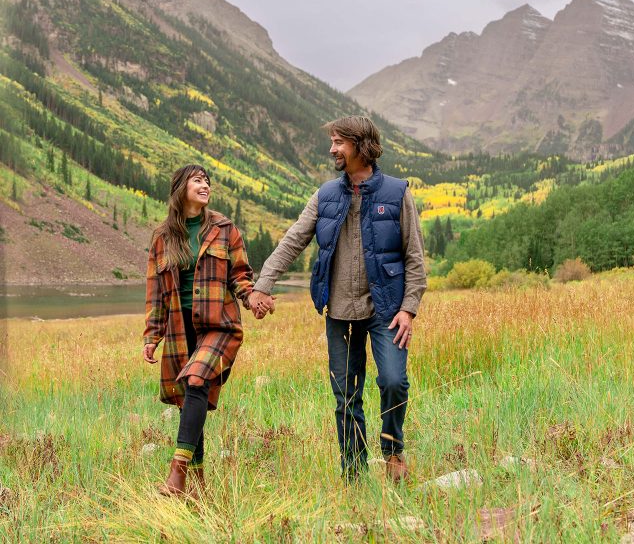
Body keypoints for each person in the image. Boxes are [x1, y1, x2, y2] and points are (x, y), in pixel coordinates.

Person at [249, 116, 426, 482]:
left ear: (362, 145)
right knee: (346, 396)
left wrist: (409, 309)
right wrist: (263, 284)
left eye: (339, 142)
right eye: (332, 141)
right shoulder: (325, 195)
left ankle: (393, 453)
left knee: (393, 380)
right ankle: (353, 473)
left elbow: (415, 258)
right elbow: (293, 240)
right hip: (340, 312)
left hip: (387, 311)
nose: (332, 149)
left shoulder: (397, 193)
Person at [142, 164, 254, 496]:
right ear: (180, 188)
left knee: (196, 380)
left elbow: (241, 274)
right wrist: (152, 335)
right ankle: (199, 485)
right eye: (197, 180)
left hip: (219, 325)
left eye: (207, 180)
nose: (205, 184)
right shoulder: (162, 237)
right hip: (179, 327)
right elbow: (155, 292)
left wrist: (252, 298)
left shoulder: (224, 228)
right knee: (192, 400)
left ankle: (177, 474)